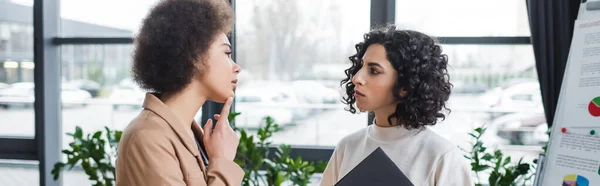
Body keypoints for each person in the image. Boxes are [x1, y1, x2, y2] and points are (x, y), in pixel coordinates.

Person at [320, 26, 473, 186]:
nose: (356, 78)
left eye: (373, 70)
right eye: (360, 67)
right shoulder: (347, 148)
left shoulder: (442, 157)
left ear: (405, 85)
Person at [115, 0, 243, 185]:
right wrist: (222, 162)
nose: (237, 68)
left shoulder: (188, 134)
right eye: (227, 53)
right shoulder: (148, 137)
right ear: (195, 56)